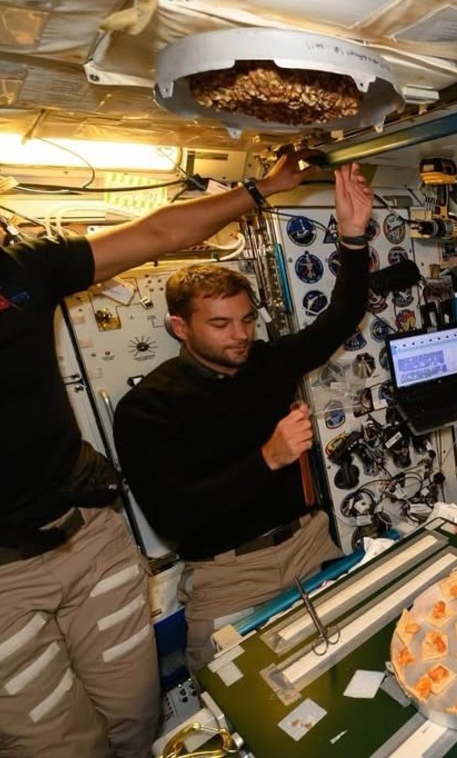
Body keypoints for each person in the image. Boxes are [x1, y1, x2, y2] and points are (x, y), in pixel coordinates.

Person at [0, 137, 317, 757]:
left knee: (135, 721)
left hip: (87, 539)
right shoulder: (154, 406)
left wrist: (262, 189)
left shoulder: (18, 273)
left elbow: (158, 232)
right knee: (56, 749)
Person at [114, 164, 372, 675]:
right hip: (230, 574)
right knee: (236, 694)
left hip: (307, 545)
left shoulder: (266, 363)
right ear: (180, 326)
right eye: (220, 324)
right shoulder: (149, 407)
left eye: (247, 320)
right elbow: (173, 518)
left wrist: (352, 237)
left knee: (342, 672)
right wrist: (268, 458)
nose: (240, 335)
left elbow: (340, 317)